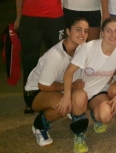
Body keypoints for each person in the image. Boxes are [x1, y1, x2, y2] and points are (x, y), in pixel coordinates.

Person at [57, 17, 116, 152]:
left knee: (105, 116)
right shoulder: (88, 48)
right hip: (79, 90)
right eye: (109, 31)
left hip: (97, 93)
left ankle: (94, 115)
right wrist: (66, 96)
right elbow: (68, 73)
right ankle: (79, 133)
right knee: (80, 98)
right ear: (102, 33)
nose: (113, 35)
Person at [15, 0, 66, 114]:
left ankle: (57, 94)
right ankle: (30, 99)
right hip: (31, 20)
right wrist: (19, 17)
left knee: (59, 60)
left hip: (55, 19)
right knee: (30, 60)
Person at [24, 17, 89, 152]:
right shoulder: (56, 55)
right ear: (68, 31)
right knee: (66, 105)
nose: (82, 34)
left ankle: (75, 122)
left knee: (79, 97)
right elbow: (43, 86)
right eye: (78, 30)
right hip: (35, 91)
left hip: (58, 86)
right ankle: (39, 126)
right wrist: (70, 88)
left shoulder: (81, 48)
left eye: (86, 31)